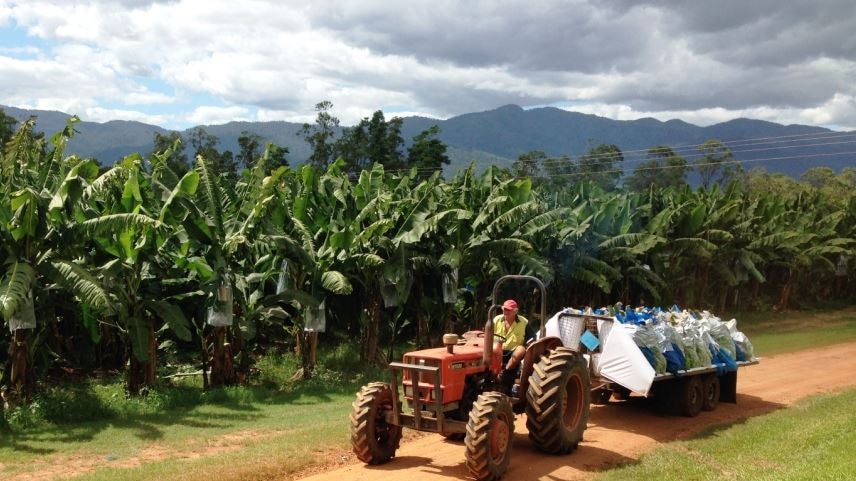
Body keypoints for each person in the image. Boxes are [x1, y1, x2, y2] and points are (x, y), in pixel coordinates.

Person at [493, 299, 531, 376]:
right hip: (496, 351)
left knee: (520, 350)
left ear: (515, 311)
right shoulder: (496, 320)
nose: (505, 312)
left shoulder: (524, 322)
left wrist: (528, 345)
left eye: (508, 310)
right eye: (504, 309)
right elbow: (487, 335)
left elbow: (532, 338)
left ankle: (504, 372)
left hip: (513, 352)